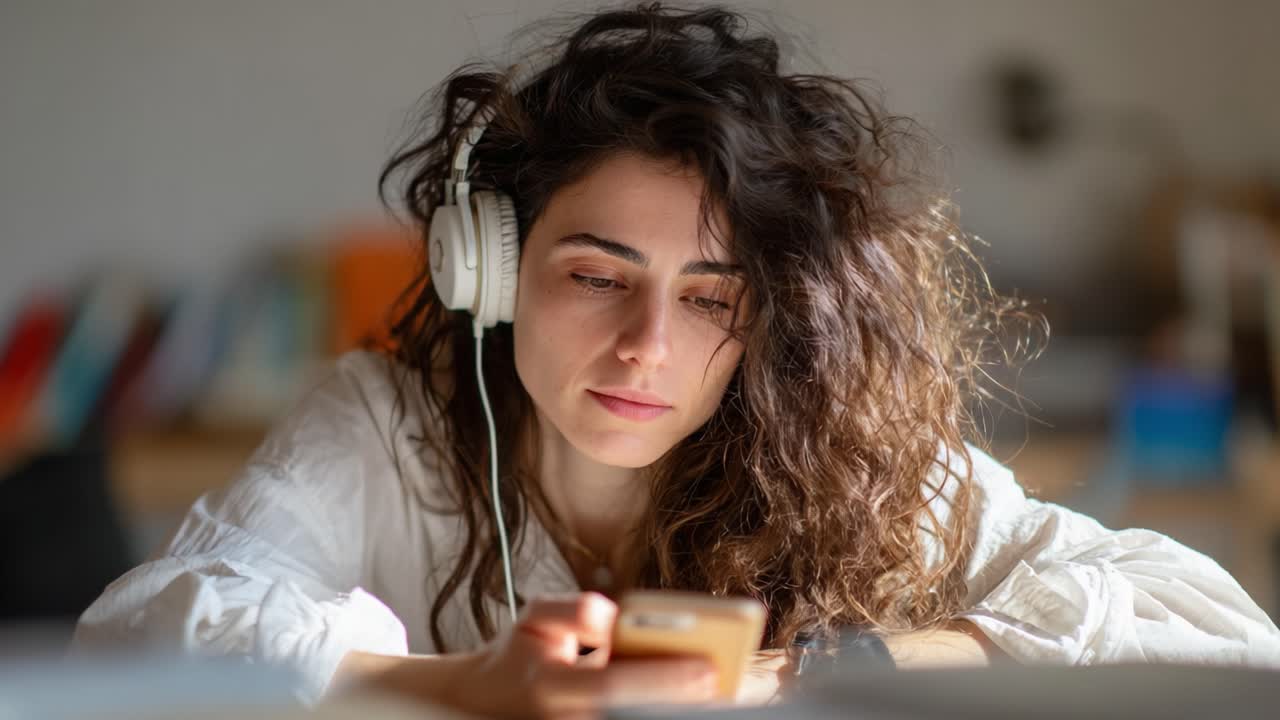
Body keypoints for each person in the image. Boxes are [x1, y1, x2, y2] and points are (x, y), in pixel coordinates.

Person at [73, 3, 1280, 717]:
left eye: (714, 300)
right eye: (596, 276)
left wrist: (800, 677)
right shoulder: (389, 425)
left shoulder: (839, 460)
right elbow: (142, 634)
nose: (648, 345)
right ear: (483, 268)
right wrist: (468, 685)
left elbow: (1208, 624)